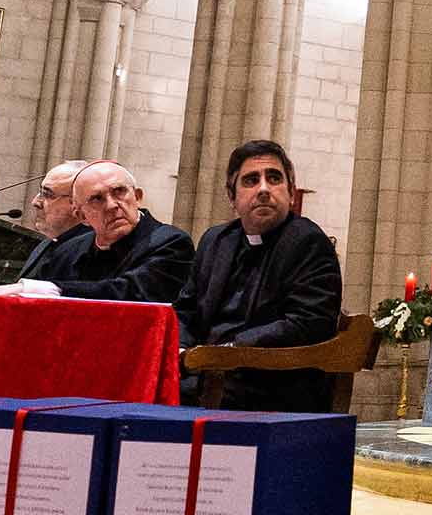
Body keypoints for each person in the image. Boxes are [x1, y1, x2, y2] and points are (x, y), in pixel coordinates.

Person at [180, 139, 346, 411]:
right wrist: (180, 348)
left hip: (272, 387)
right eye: (250, 180)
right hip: (205, 376)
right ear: (231, 197)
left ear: (291, 193)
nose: (264, 189)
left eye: (274, 178)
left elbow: (307, 323)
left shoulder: (308, 242)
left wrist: (227, 350)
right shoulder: (216, 240)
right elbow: (185, 309)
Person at [27, 160, 194, 301]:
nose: (112, 205)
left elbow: (131, 292)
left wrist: (53, 289)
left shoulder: (172, 243)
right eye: (97, 198)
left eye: (119, 192)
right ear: (81, 215)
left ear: (137, 196)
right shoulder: (67, 251)